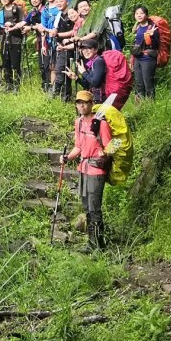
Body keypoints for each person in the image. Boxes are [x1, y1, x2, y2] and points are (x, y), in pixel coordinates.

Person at [65, 90, 113, 251]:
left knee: (94, 208)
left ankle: (96, 245)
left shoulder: (101, 124)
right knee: (87, 207)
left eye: (85, 102)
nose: (81, 105)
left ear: (92, 104)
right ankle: (94, 244)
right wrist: (67, 158)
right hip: (83, 169)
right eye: (79, 102)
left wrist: (103, 154)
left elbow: (111, 147)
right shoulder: (78, 122)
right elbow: (78, 146)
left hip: (96, 170)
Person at [66, 36, 107, 103]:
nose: (86, 51)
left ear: (96, 50)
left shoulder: (98, 61)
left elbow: (95, 83)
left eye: (89, 48)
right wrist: (76, 78)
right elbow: (88, 85)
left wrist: (84, 72)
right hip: (95, 98)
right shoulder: (91, 62)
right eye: (83, 49)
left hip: (101, 100)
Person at [131, 5, 159, 99]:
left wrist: (151, 36)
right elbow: (136, 45)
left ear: (146, 15)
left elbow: (156, 45)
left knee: (148, 83)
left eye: (141, 13)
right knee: (139, 84)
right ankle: (140, 107)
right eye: (137, 13)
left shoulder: (152, 27)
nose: (139, 15)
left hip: (148, 58)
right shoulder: (137, 27)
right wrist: (132, 59)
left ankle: (150, 106)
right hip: (138, 58)